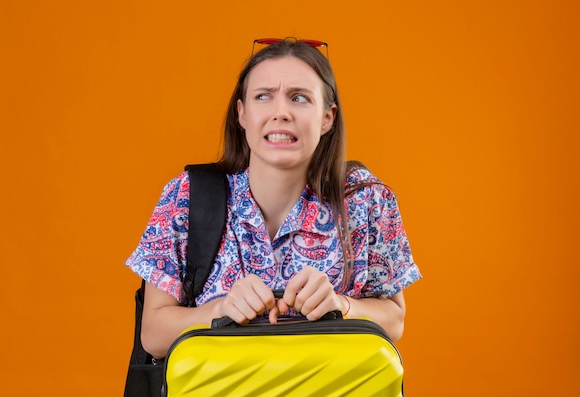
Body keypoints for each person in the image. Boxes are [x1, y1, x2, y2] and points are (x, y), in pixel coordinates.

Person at [126, 38, 422, 359]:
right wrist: (219, 310)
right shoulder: (185, 195)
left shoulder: (366, 199)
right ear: (242, 113)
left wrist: (342, 305)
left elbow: (394, 319)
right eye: (263, 96)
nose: (281, 113)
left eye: (299, 98)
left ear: (327, 117)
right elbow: (153, 333)